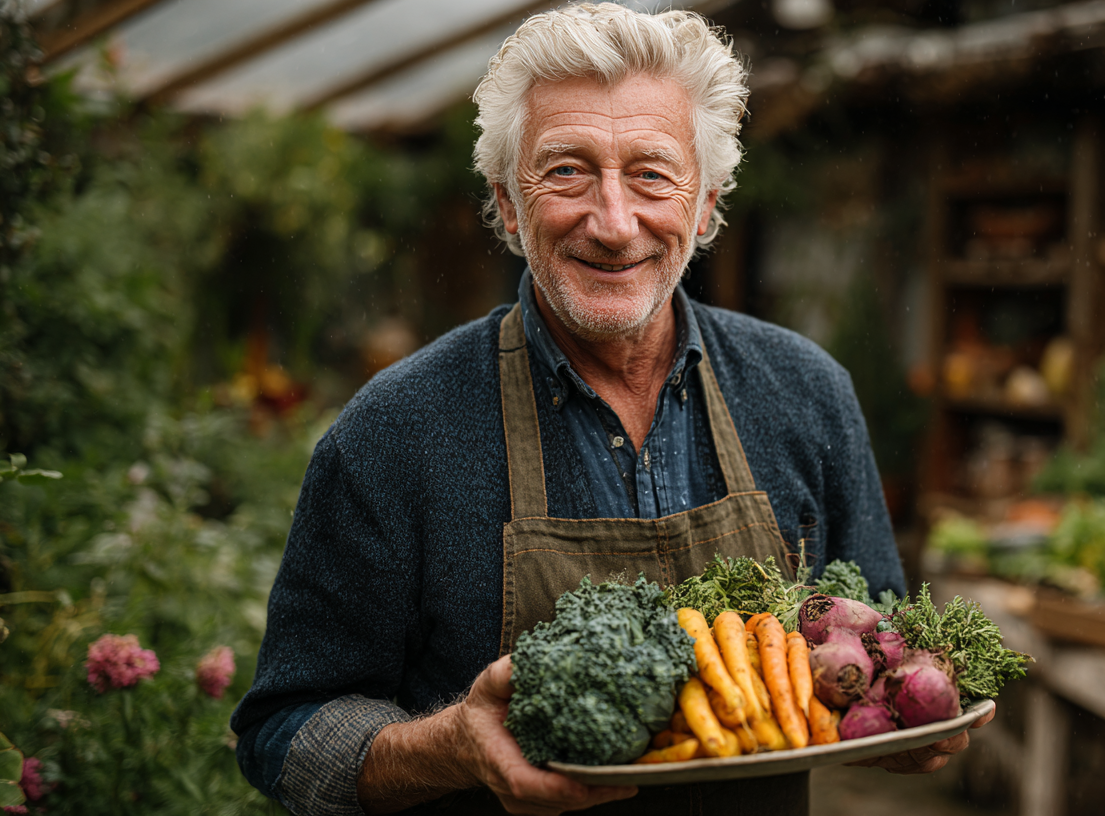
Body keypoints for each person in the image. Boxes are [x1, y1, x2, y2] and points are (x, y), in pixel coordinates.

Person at [230, 4, 992, 815]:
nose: (614, 223)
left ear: (705, 207)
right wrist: (452, 746)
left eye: (653, 175)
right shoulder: (395, 430)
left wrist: (910, 705)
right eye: (566, 171)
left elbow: (880, 646)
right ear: (508, 204)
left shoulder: (806, 392)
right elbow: (285, 732)